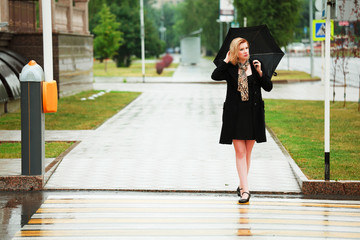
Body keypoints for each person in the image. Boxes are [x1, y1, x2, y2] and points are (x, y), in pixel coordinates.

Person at [211, 37, 273, 203]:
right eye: (242, 49)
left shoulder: (255, 64)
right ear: (235, 52)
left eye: (246, 48)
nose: (246, 51)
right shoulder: (230, 67)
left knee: (248, 153)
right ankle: (246, 191)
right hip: (235, 115)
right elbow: (214, 75)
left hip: (253, 114)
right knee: (240, 152)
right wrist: (225, 61)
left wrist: (260, 72)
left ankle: (241, 185)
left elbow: (268, 87)